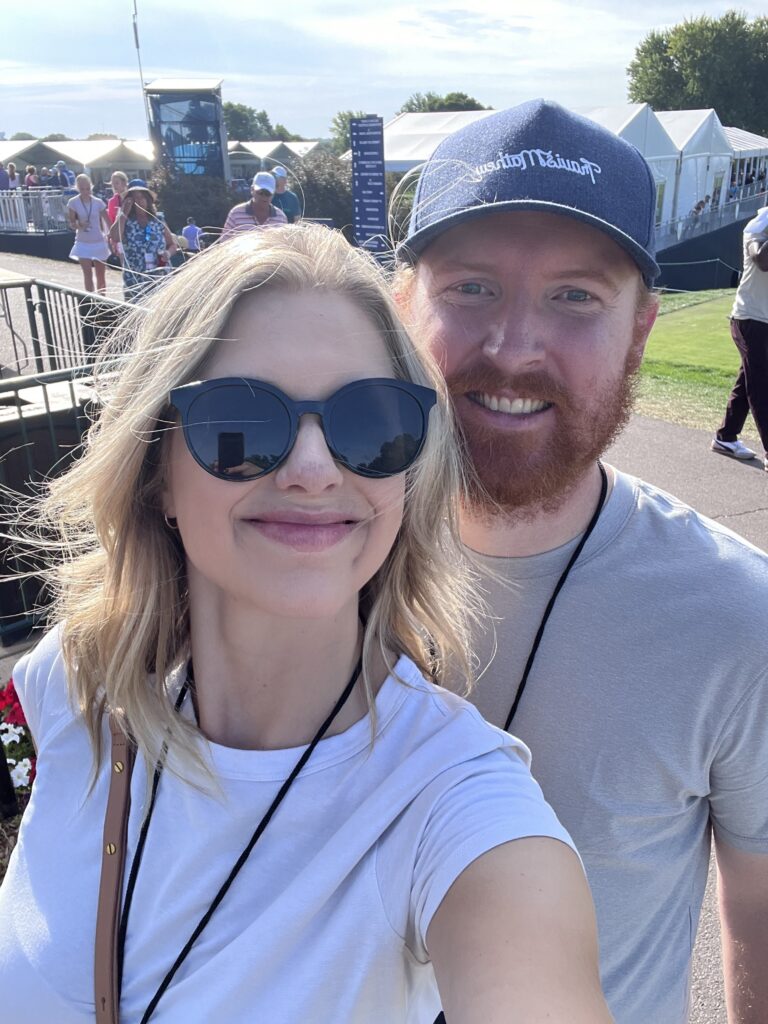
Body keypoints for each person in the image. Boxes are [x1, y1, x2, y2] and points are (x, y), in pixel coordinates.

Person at [0, 225, 611, 1023]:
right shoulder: (75, 681)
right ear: (156, 471)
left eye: (372, 423)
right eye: (242, 425)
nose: (318, 470)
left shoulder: (454, 806)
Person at [395, 100, 768, 1024]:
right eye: (471, 287)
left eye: (575, 297)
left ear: (641, 327)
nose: (513, 347)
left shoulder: (736, 616)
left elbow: (760, 917)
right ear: (403, 308)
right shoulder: (304, 554)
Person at [712, 205, 768, 471]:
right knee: (760, 385)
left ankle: (726, 436)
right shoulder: (758, 227)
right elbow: (762, 259)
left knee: (747, 381)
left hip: (763, 321)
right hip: (750, 320)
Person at [108, 178, 177, 303]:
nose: (138, 201)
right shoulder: (126, 221)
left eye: (141, 197)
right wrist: (123, 214)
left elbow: (172, 244)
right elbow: (115, 237)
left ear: (148, 199)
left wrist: (167, 253)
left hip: (160, 277)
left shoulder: (158, 219)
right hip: (135, 280)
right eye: (134, 198)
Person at [67, 173, 111, 294]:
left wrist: (112, 235)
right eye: (82, 189)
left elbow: (107, 221)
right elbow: (71, 223)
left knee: (100, 274)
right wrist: (79, 225)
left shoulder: (98, 202)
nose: (85, 191)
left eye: (87, 188)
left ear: (91, 187)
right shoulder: (73, 202)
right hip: (83, 242)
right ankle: (90, 302)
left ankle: (102, 302)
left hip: (98, 241)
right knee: (87, 274)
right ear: (77, 188)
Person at [220, 171, 287, 240]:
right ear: (252, 190)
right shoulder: (236, 214)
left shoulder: (281, 218)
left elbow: (285, 247)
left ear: (273, 194)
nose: (264, 196)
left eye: (268, 193)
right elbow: (224, 243)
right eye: (260, 192)